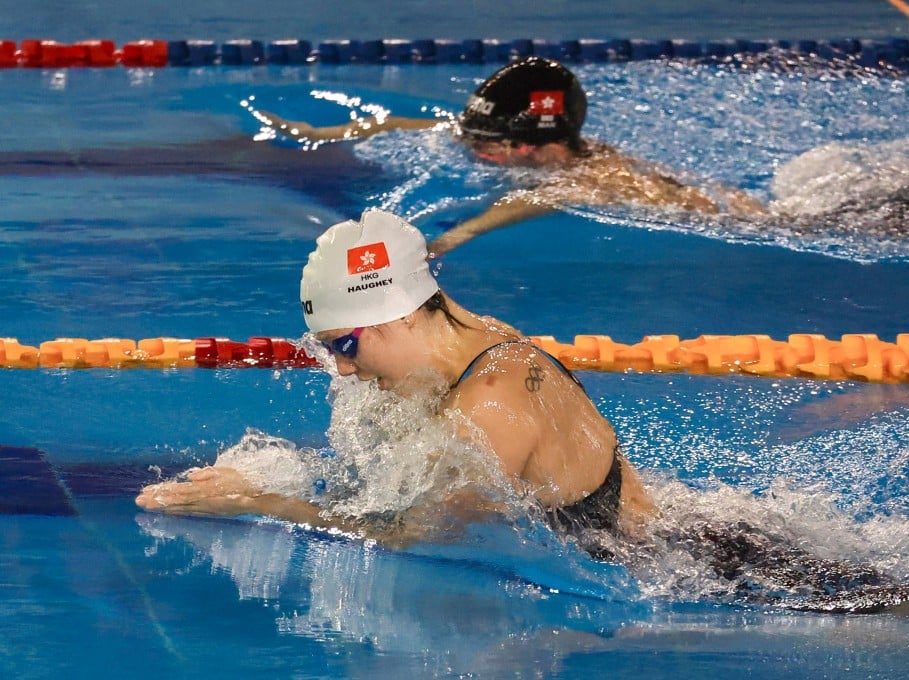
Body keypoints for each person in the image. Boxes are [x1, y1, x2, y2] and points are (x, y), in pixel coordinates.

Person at [136, 208, 656, 546]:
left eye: (345, 345)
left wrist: (256, 501)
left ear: (401, 314)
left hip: (669, 571)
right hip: (655, 531)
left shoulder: (488, 406)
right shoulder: (479, 340)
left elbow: (414, 536)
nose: (341, 367)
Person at [255, 56, 765, 257]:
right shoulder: (502, 141)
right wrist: (321, 132)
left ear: (536, 143)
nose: (475, 149)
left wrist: (460, 233)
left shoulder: (597, 177)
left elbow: (548, 197)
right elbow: (416, 125)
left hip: (756, 222)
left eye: (489, 144)